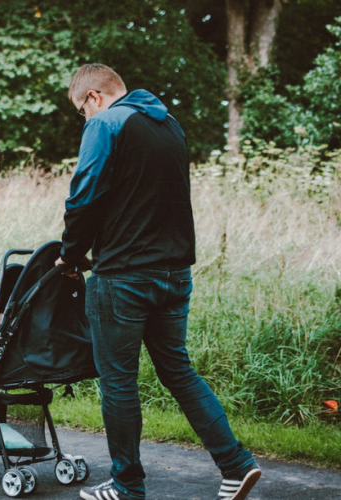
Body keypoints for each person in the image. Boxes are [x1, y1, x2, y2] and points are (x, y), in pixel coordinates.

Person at [54, 64, 261, 500]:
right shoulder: (169, 125)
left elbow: (83, 195)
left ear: (93, 97)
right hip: (174, 274)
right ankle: (237, 465)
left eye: (80, 111)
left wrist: (71, 255)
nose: (84, 120)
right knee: (179, 372)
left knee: (118, 383)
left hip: (123, 277)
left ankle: (128, 486)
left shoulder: (107, 123)